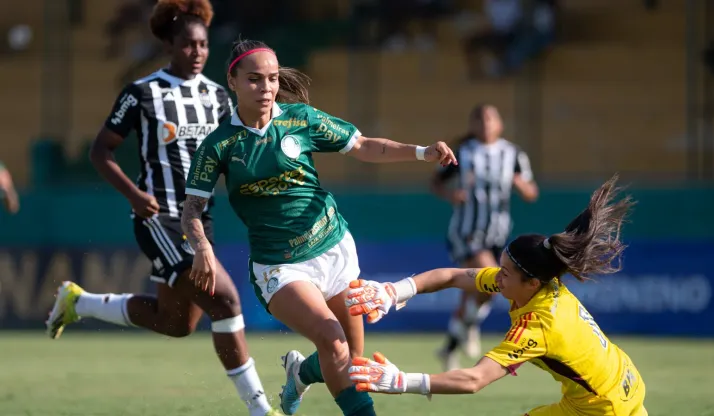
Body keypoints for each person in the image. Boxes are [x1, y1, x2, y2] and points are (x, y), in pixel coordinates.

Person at [181, 38, 457, 416]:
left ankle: (300, 372)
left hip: (334, 247)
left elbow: (364, 146)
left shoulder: (300, 119)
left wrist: (421, 152)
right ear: (232, 81)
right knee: (333, 340)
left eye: (273, 79)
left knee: (350, 357)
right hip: (281, 265)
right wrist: (202, 247)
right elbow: (192, 208)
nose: (265, 88)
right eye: (254, 80)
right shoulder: (219, 144)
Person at [44, 2, 279, 415]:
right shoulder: (142, 93)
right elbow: (101, 151)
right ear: (169, 44)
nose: (197, 52)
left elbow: (236, 152)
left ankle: (77, 303)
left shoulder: (218, 97)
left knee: (176, 323)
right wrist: (134, 196)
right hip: (161, 218)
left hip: (199, 221)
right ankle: (262, 410)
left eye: (203, 45)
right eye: (188, 45)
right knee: (225, 301)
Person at [346, 174, 648, 416]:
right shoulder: (529, 280)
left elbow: (474, 379)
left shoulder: (538, 325)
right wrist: (394, 291)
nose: (495, 274)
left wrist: (401, 382)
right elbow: (452, 276)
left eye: (504, 272)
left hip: (602, 408)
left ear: (530, 283)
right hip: (624, 382)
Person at [433, 104, 538, 370]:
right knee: (491, 276)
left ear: (500, 123)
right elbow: (436, 182)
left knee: (484, 291)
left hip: (499, 233)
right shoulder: (463, 153)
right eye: (479, 119)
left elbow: (531, 193)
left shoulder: (512, 154)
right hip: (467, 231)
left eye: (491, 118)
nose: (485, 124)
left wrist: (520, 185)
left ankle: (452, 344)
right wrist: (451, 195)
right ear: (472, 125)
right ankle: (466, 329)